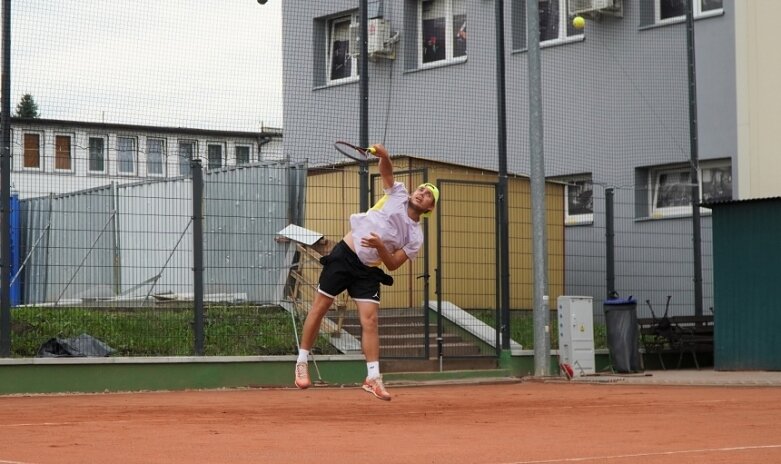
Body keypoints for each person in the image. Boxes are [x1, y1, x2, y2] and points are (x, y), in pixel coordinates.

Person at [294, 144, 439, 401]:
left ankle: (373, 377)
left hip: (368, 271)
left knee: (370, 321)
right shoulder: (398, 194)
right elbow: (387, 173)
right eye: (421, 189)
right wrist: (383, 156)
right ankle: (302, 361)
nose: (422, 193)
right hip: (344, 255)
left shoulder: (416, 237)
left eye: (428, 195)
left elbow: (393, 264)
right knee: (320, 307)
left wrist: (380, 246)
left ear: (430, 208)